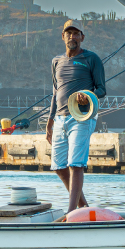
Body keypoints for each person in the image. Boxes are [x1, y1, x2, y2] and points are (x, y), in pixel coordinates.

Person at [45, 20, 107, 215]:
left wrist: (87, 96)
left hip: (81, 116)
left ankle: (71, 213)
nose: (72, 37)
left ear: (82, 37)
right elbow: (55, 92)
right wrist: (50, 119)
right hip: (60, 118)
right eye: (68, 33)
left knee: (76, 164)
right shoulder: (56, 61)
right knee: (58, 166)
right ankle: (82, 208)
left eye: (76, 33)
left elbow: (102, 89)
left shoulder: (92, 59)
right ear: (63, 36)